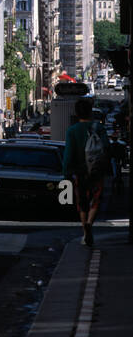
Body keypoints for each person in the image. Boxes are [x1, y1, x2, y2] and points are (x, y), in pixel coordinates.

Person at [63, 99, 109, 247]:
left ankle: (85, 231)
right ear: (90, 112)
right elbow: (106, 147)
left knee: (81, 201)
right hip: (96, 169)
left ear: (77, 113)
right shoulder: (99, 128)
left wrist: (67, 172)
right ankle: (90, 222)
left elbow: (68, 153)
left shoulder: (72, 130)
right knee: (96, 199)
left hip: (80, 170)